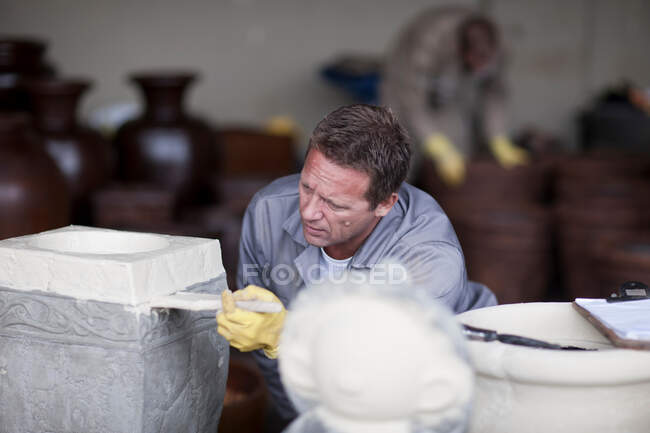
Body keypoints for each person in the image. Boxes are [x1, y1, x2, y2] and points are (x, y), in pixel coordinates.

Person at [217, 104, 495, 425]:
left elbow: (384, 372)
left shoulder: (429, 258)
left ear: (384, 203)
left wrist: (287, 334)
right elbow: (268, 356)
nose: (308, 212)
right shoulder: (268, 211)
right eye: (307, 187)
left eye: (335, 204)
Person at [382, 6, 529, 185]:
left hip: (449, 84)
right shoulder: (429, 41)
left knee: (457, 139)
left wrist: (498, 137)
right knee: (402, 144)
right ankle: (398, 197)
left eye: (485, 62)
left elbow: (494, 92)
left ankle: (441, 199)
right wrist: (436, 144)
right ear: (462, 50)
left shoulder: (501, 46)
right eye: (476, 61)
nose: (481, 69)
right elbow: (412, 101)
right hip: (405, 81)